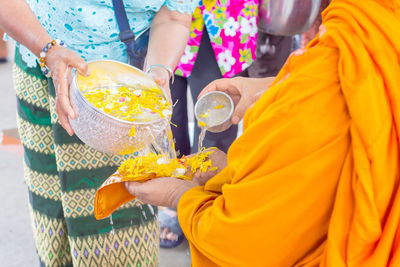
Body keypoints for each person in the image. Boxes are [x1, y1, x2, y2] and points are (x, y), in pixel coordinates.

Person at [125, 0, 400, 266]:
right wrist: (273, 87)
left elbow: (240, 242)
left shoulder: (327, 73)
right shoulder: (370, 29)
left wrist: (178, 196)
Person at [0, 0, 194, 266]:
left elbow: (174, 15)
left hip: (123, 93)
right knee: (51, 210)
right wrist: (47, 50)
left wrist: (158, 71)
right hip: (40, 61)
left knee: (118, 221)